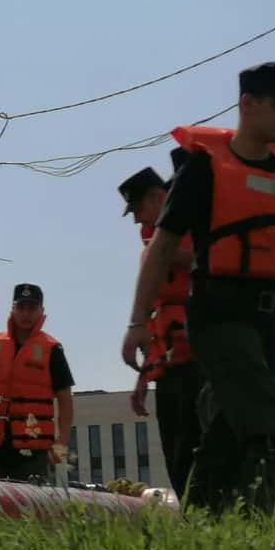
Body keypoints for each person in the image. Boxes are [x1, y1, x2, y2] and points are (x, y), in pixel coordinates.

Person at [122, 61, 275, 536]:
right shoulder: (205, 170)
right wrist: (137, 322)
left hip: (267, 322)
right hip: (218, 318)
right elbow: (161, 248)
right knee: (272, 431)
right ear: (248, 104)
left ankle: (189, 535)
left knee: (222, 439)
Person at [117, 166, 202, 500]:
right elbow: (153, 317)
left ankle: (223, 522)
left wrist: (166, 253)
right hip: (168, 367)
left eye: (138, 209)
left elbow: (212, 260)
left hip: (204, 358)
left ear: (157, 198)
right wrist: (143, 378)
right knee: (178, 455)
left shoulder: (196, 222)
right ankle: (196, 523)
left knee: (208, 449)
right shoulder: (150, 248)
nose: (137, 220)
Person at [0, 284, 75, 481]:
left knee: (31, 509)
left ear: (41, 312)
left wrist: (61, 445)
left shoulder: (52, 350)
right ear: (13, 309)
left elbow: (65, 400)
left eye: (31, 308)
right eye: (21, 307)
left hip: (32, 453)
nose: (26, 313)